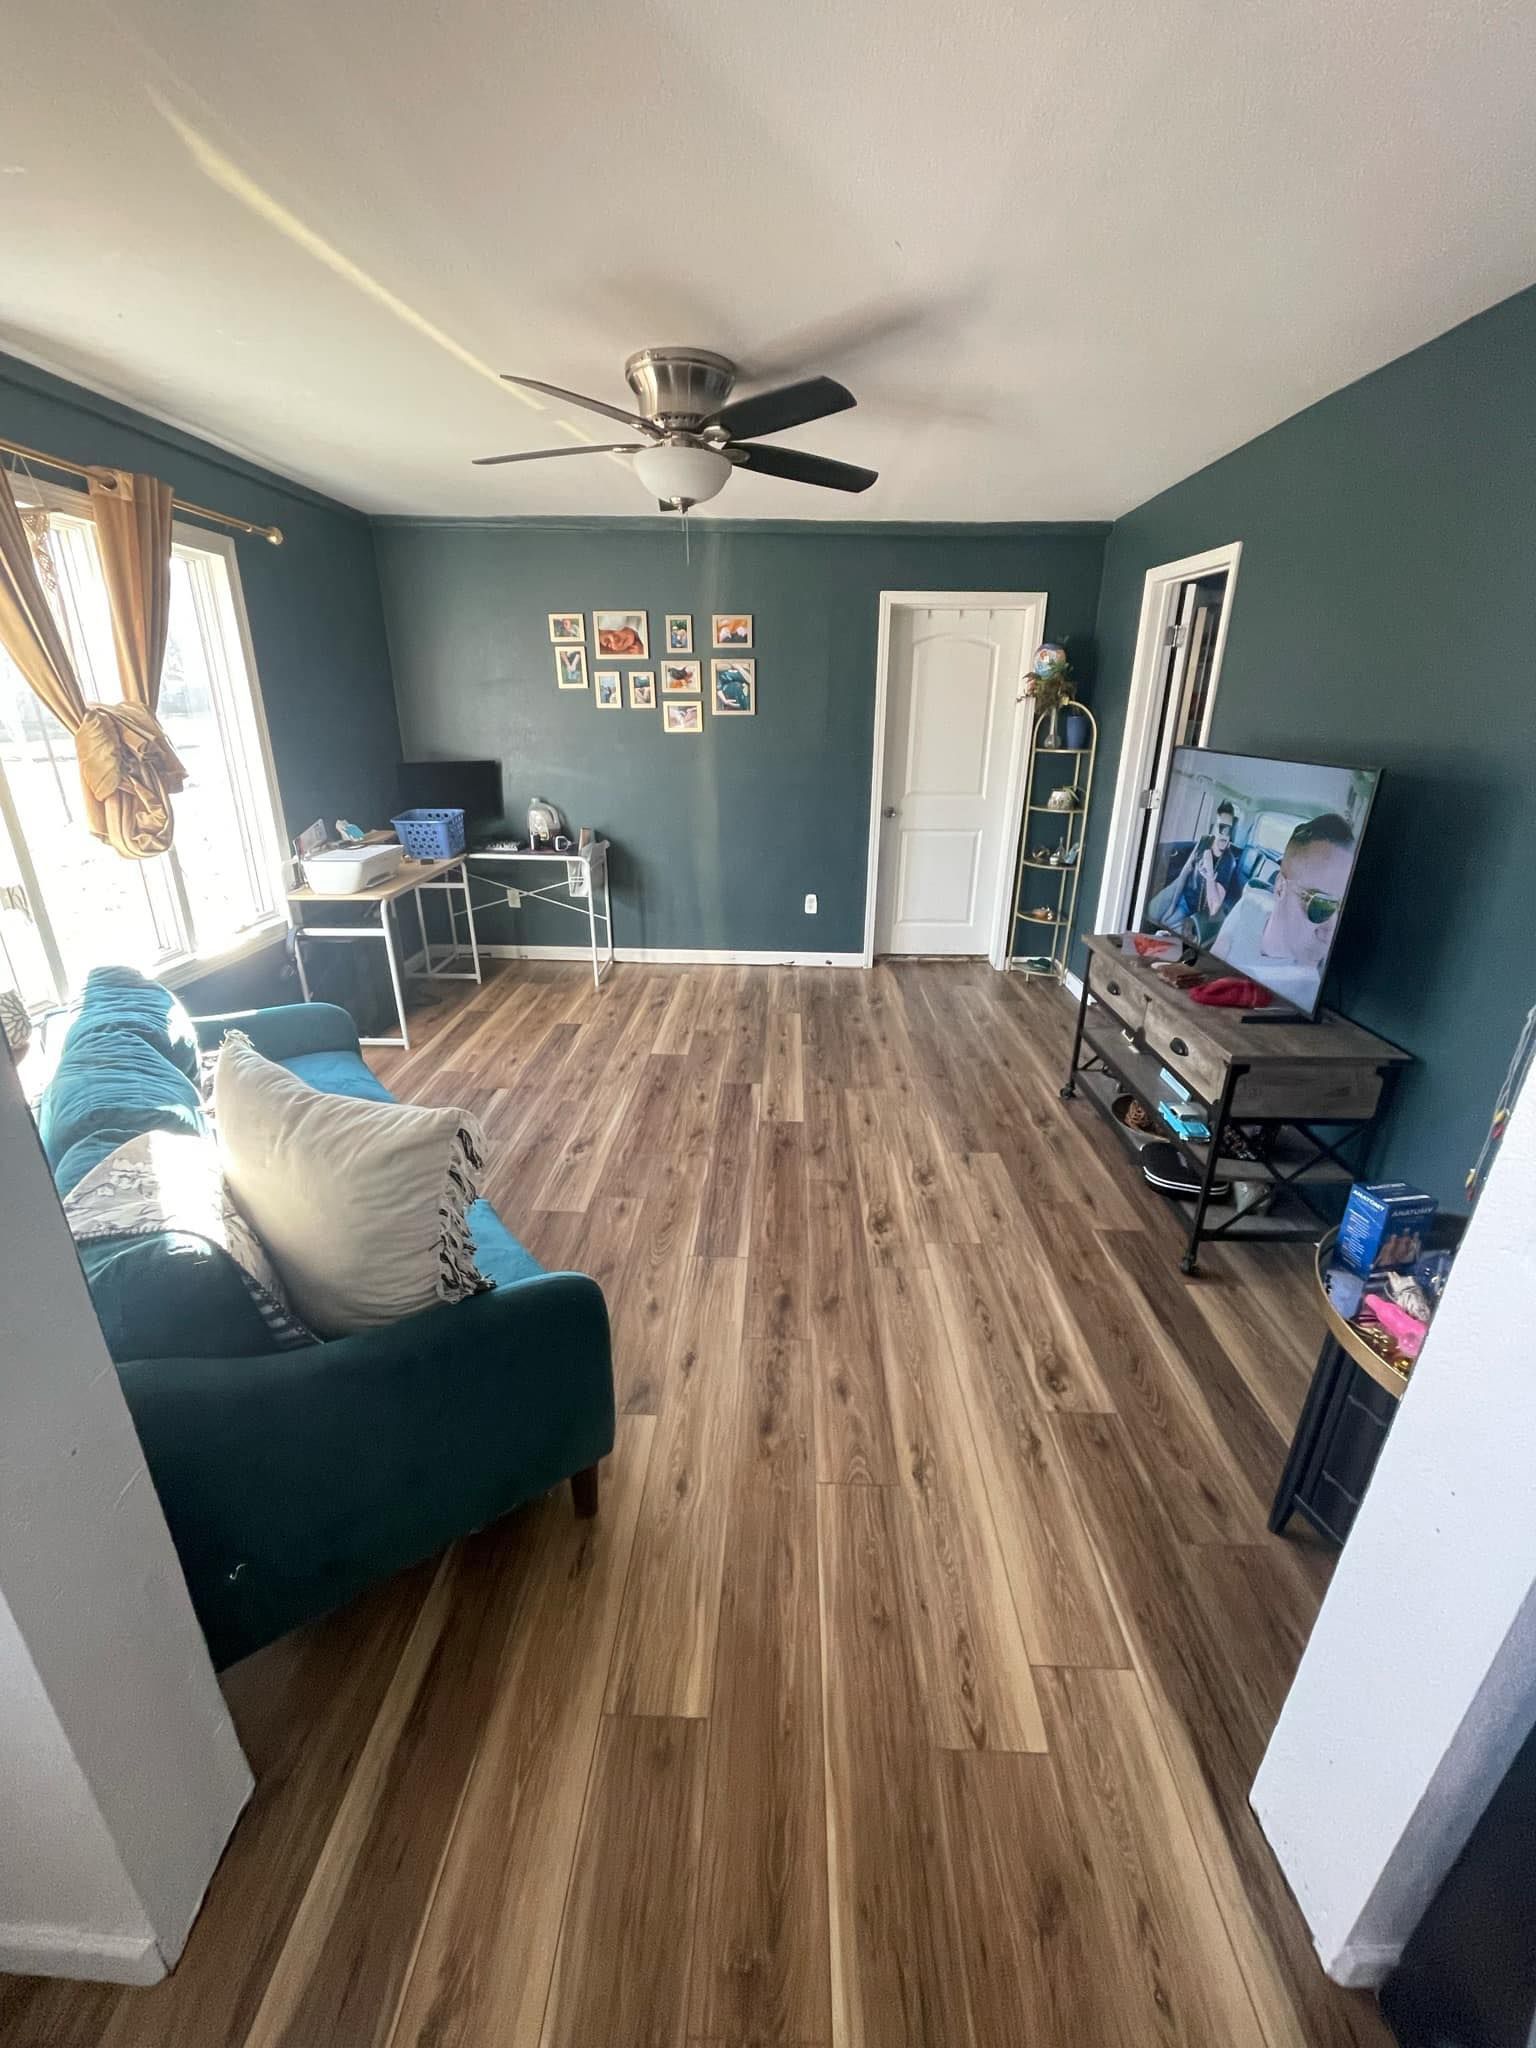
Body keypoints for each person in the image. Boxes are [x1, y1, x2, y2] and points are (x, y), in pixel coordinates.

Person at [1210, 812, 1355, 1010]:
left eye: (1344, 911)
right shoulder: (1249, 906)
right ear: (1280, 888)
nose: (1331, 931)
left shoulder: (1315, 993)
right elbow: (1211, 969)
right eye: (1321, 906)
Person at [1154, 800, 1243, 943]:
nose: (1224, 834)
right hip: (1183, 897)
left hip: (1197, 913)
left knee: (1165, 935)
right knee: (1153, 912)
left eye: (1229, 830)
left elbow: (1214, 907)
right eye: (1221, 827)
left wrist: (1209, 872)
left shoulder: (1228, 861)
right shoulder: (1204, 841)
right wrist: (1171, 906)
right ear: (1214, 827)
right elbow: (1186, 871)